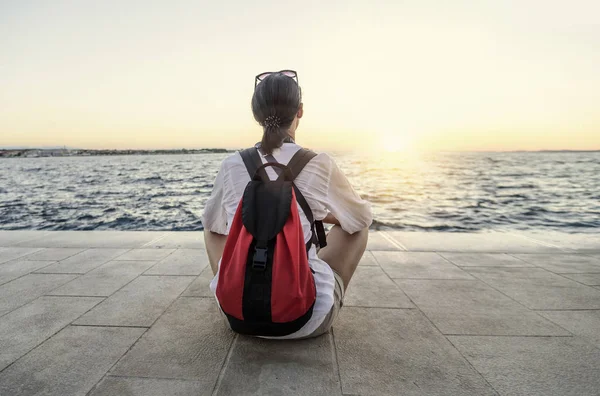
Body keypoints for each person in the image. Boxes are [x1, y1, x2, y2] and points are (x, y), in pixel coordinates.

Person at [202, 70, 372, 339]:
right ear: (300, 111)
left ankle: (233, 286)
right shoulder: (319, 163)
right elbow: (361, 219)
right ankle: (324, 292)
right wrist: (325, 216)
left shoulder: (232, 163)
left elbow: (213, 224)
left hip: (237, 317)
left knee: (210, 229)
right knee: (357, 230)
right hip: (306, 321)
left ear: (256, 115)